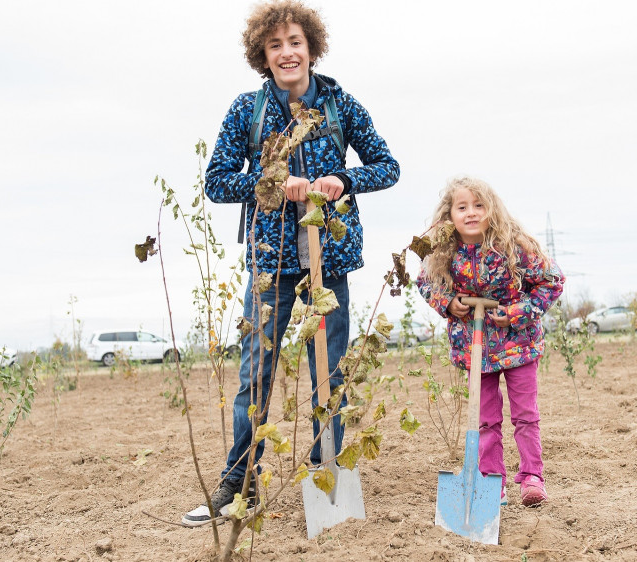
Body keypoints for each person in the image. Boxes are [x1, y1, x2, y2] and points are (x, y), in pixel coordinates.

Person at [182, 0, 400, 526]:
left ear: (311, 48)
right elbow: (215, 182)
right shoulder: (247, 110)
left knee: (332, 374)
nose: (287, 53)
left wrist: (344, 179)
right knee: (254, 376)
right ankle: (241, 482)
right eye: (275, 44)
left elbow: (387, 166)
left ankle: (325, 471)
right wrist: (273, 186)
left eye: (295, 42)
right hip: (269, 262)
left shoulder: (340, 105)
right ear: (262, 54)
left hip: (331, 262)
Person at [416, 176, 563, 507]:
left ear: (491, 210)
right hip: (473, 349)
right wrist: (448, 301)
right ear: (449, 215)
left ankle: (531, 478)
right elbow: (425, 282)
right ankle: (491, 481)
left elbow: (552, 282)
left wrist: (516, 312)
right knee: (484, 419)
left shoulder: (515, 247)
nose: (471, 212)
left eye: (479, 205)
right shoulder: (445, 253)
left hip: (519, 345)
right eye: (462, 206)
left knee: (525, 414)